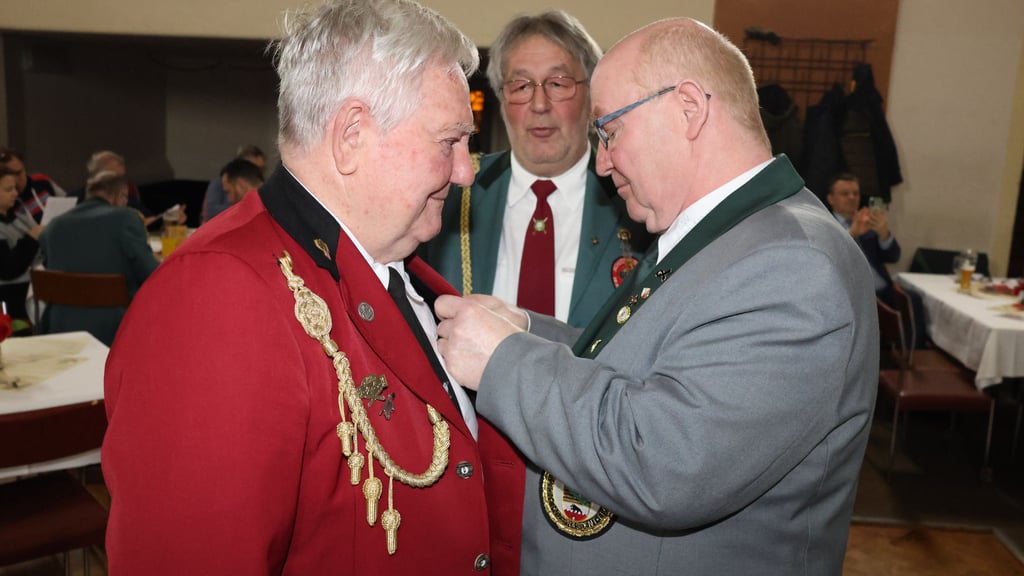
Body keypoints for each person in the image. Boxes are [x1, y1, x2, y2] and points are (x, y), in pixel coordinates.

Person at [435, 17, 878, 575]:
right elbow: (652, 367)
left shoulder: (794, 265)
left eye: (611, 132)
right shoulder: (735, 236)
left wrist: (503, 360)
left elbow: (664, 462)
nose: (601, 161)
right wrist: (527, 328)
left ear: (689, 108)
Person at [103, 0, 506, 573]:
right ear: (351, 135)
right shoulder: (218, 298)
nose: (467, 171)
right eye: (449, 142)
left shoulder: (393, 265)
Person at [419, 10, 651, 328]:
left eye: (558, 84)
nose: (539, 105)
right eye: (521, 86)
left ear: (590, 98)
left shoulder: (639, 198)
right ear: (502, 100)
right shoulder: (450, 195)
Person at [38, 170, 159, 345]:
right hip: (116, 327)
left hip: (59, 326)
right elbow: (151, 274)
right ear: (120, 197)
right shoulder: (125, 218)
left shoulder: (54, 225)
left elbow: (49, 266)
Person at [827, 172, 901, 305]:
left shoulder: (867, 222)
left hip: (885, 291)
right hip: (853, 299)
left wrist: (884, 235)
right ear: (831, 199)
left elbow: (893, 257)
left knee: (915, 302)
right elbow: (828, 262)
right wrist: (851, 234)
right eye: (845, 193)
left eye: (856, 193)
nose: (852, 197)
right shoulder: (825, 226)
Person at [0, 167, 44, 320]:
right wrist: (31, 239)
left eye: (15, 188)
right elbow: (7, 270)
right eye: (8, 189)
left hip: (33, 288)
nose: (15, 193)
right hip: (11, 297)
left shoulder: (20, 217)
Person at [0, 147, 66, 224]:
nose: (19, 178)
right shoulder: (7, 203)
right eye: (12, 174)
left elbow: (66, 199)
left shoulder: (40, 180)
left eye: (20, 172)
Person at [201, 145, 266, 223]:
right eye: (251, 166)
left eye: (261, 168)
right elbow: (210, 213)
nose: (257, 172)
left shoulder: (268, 192)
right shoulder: (221, 182)